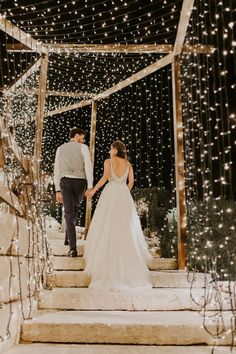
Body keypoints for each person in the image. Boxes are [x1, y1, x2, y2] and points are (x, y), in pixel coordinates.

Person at [84, 140, 153, 291]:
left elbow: (105, 177)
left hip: (110, 193)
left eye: (111, 148)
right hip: (123, 193)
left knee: (107, 224)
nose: (109, 150)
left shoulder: (108, 161)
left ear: (115, 150)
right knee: (125, 227)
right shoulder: (128, 164)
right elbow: (132, 182)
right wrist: (124, 190)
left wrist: (94, 190)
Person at [54, 127, 93, 257]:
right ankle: (73, 247)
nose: (83, 140)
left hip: (65, 182)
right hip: (80, 182)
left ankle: (68, 239)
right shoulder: (84, 148)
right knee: (72, 211)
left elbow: (57, 170)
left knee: (71, 212)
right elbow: (88, 166)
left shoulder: (60, 148)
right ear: (76, 136)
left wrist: (57, 189)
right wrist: (90, 185)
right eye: (82, 137)